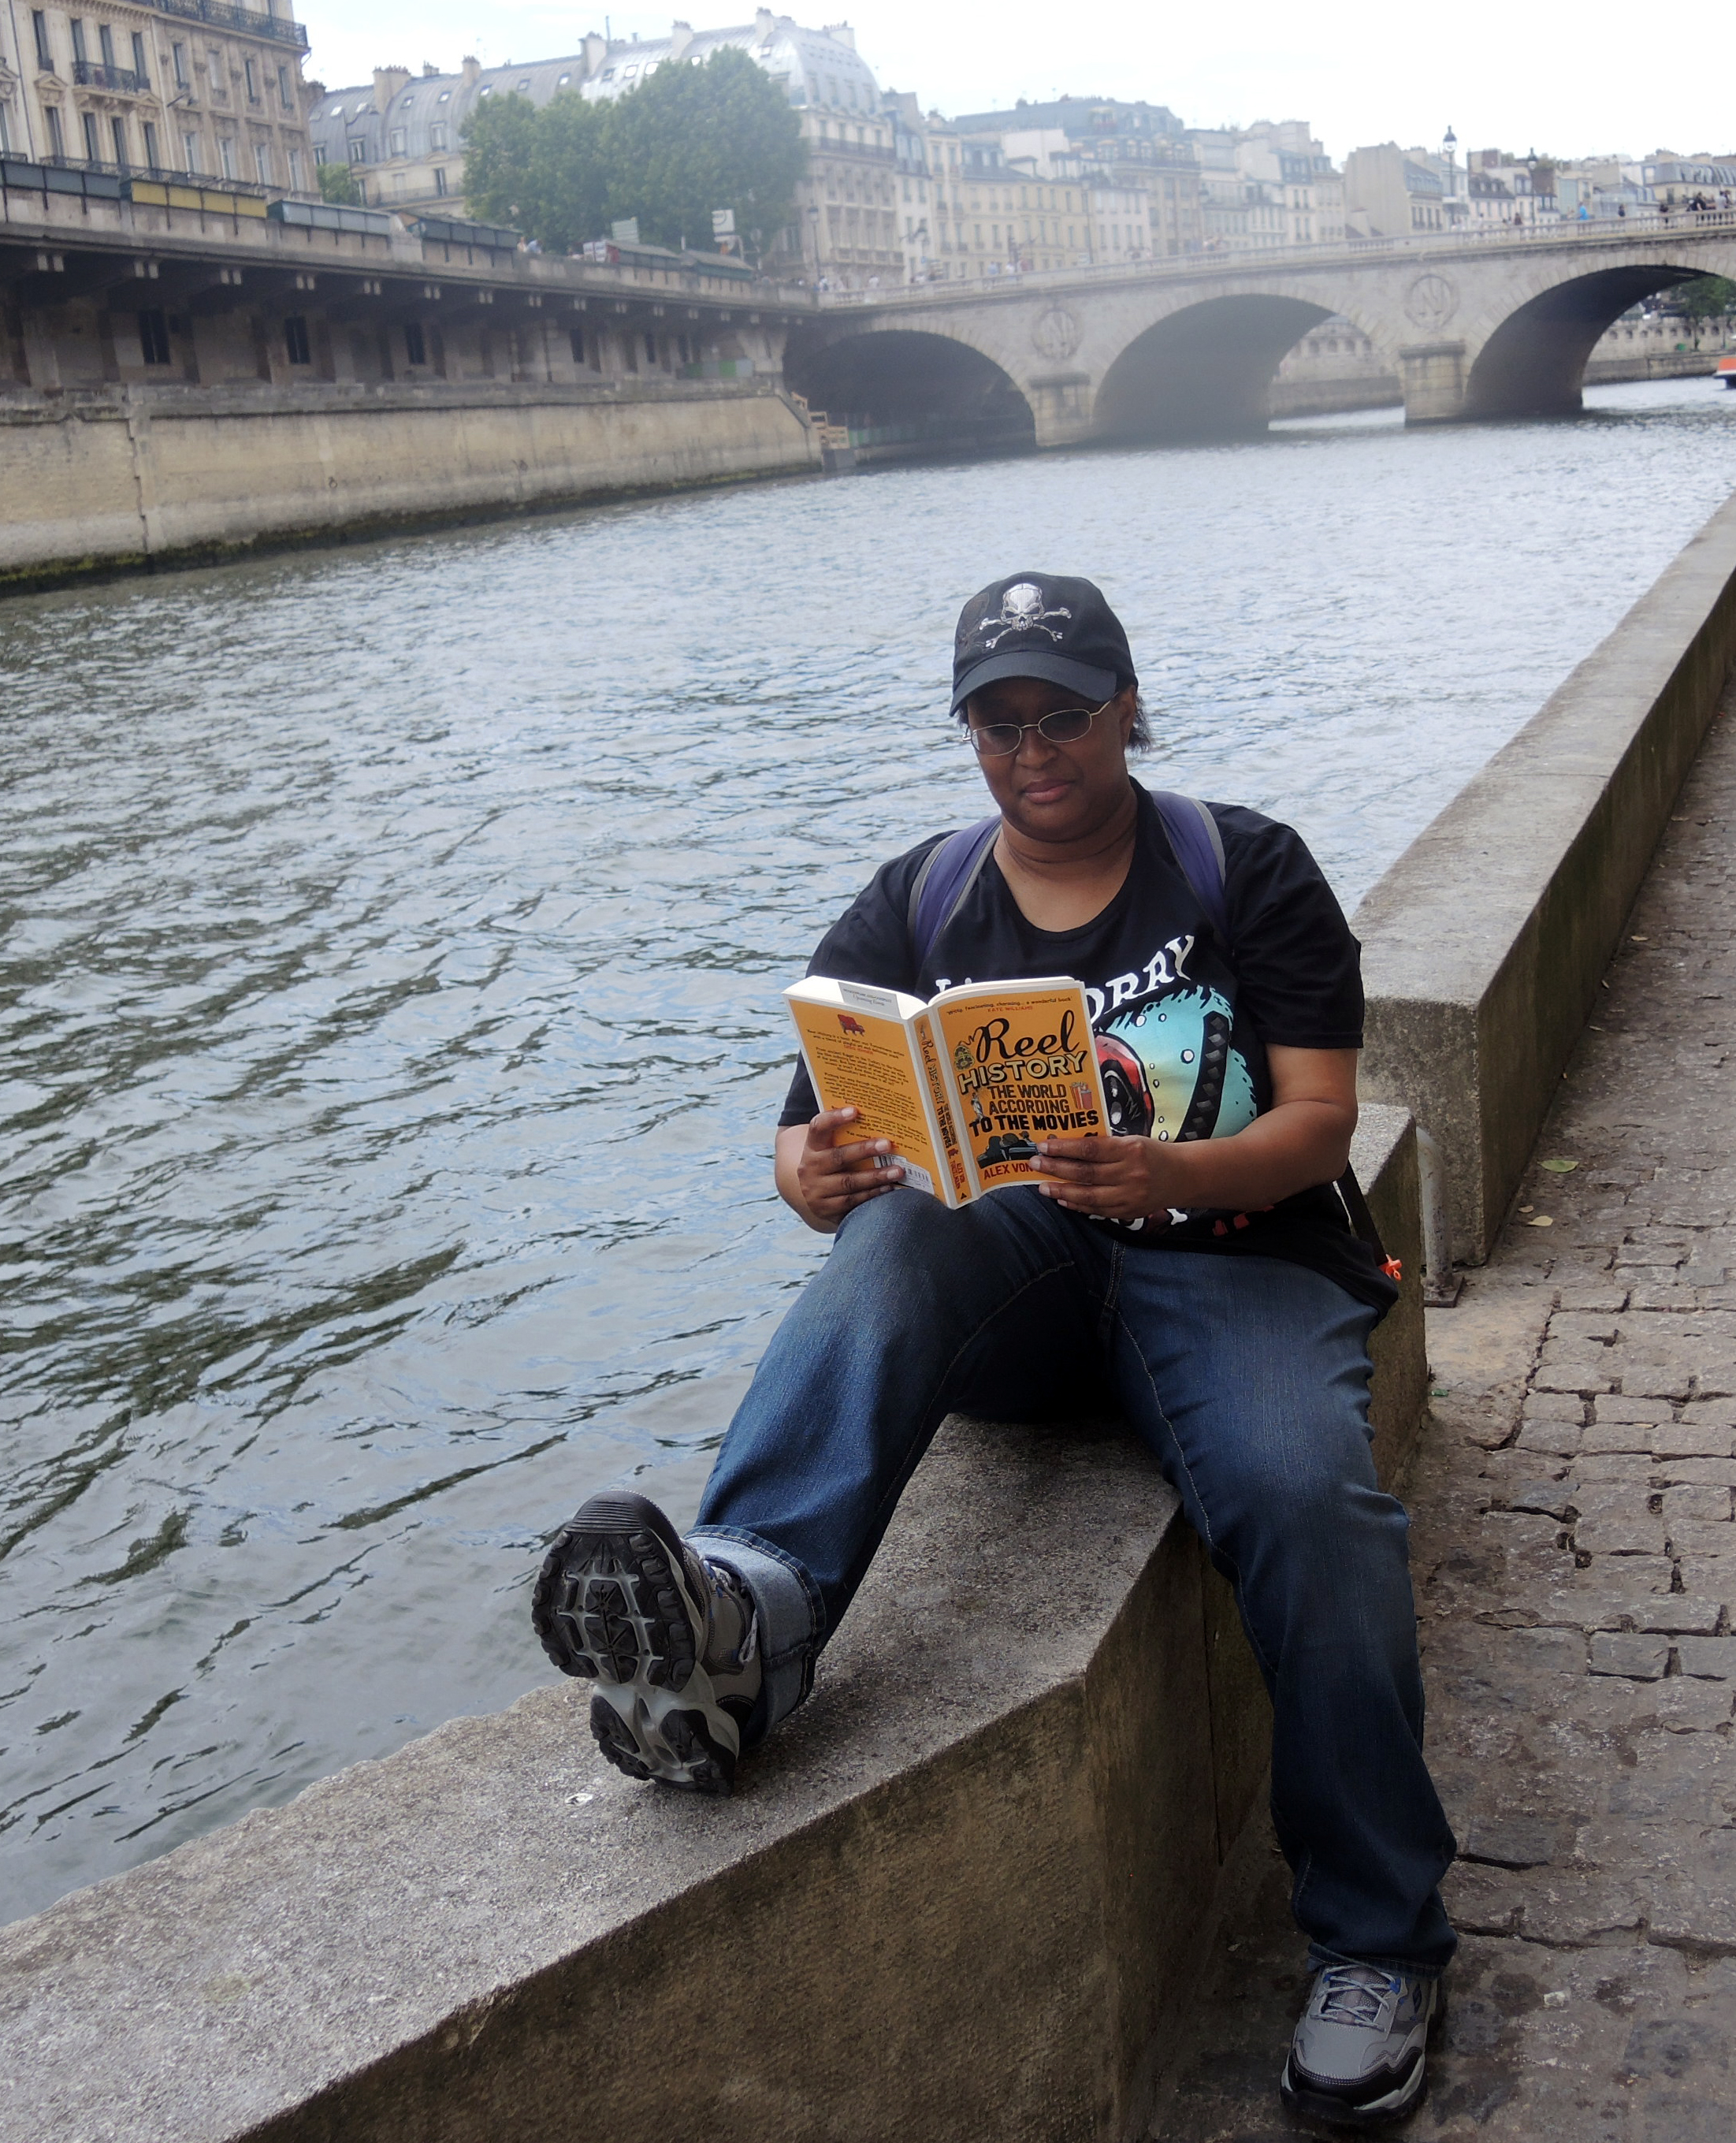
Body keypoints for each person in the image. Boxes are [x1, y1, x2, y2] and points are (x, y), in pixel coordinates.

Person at [533, 573, 1456, 2127]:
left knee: (1312, 1503)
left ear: (1126, 708)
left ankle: (1379, 1940)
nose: (1031, 747)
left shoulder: (1244, 869)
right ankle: (740, 1621)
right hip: (1024, 1286)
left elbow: (1315, 1122)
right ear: (969, 732)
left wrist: (1163, 1171)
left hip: (1230, 1256)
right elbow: (798, 1139)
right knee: (892, 1227)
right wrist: (812, 1174)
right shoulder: (920, 898)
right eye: (996, 719)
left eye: (1062, 713)